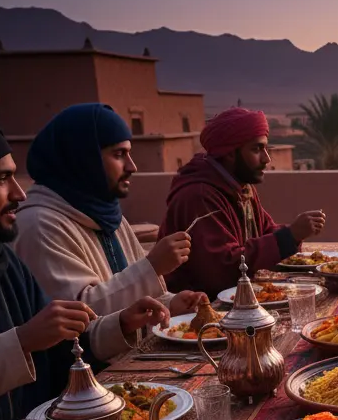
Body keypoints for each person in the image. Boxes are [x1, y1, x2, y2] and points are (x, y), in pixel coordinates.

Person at [0, 116, 169, 420]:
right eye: (1, 178)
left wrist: (121, 325)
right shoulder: (37, 225)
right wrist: (22, 341)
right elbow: (40, 335)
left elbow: (61, 343)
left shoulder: (1, 261)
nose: (18, 192)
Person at [12, 103, 208, 316]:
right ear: (84, 158)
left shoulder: (106, 214)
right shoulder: (39, 226)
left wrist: (170, 304)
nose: (132, 166)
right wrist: (152, 267)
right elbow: (80, 315)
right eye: (119, 154)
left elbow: (127, 296)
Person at [159, 107, 326, 298]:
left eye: (266, 148)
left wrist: (294, 235)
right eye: (256, 149)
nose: (267, 158)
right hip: (197, 310)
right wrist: (290, 236)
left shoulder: (241, 187)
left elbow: (265, 232)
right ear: (229, 153)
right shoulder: (199, 196)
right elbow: (222, 270)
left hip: (235, 296)